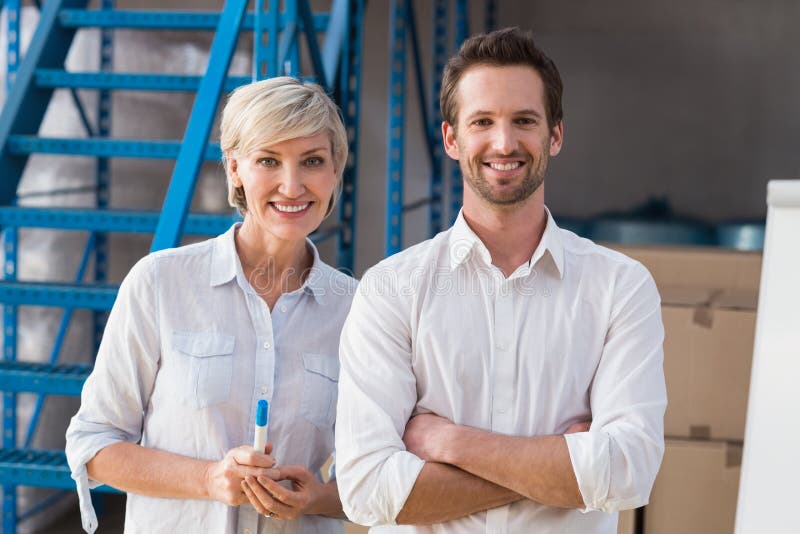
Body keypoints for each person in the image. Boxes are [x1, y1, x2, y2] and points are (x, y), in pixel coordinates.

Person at [335, 27, 667, 533]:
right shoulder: (390, 289)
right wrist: (562, 466)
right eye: (482, 121)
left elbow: (629, 472)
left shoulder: (620, 288)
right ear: (452, 138)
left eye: (524, 121)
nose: (504, 142)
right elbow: (367, 489)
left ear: (555, 134)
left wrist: (452, 445)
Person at [65, 77, 357, 534]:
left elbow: (378, 473)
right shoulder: (161, 283)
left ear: (335, 170)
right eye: (268, 161)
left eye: (313, 161)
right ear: (235, 168)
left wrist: (317, 497)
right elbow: (94, 444)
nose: (292, 184)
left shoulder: (356, 310)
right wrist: (208, 479)